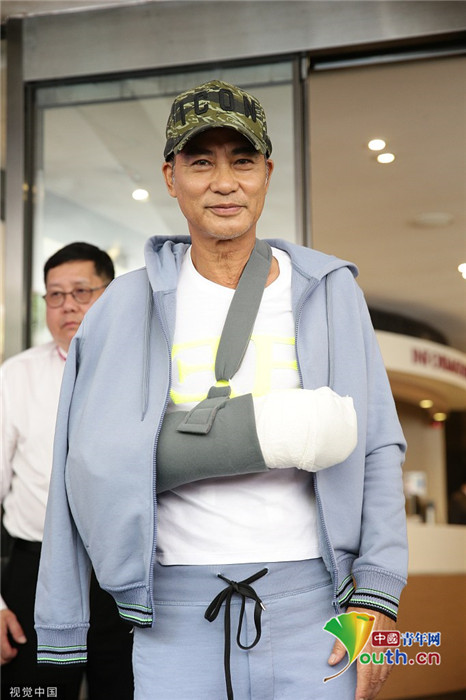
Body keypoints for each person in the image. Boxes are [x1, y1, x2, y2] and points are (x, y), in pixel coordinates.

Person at [34, 81, 408, 700]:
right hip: (173, 617)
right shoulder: (122, 307)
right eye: (201, 162)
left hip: (319, 607)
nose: (225, 182)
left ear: (267, 174)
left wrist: (379, 596)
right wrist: (64, 620)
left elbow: (377, 445)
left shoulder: (329, 290)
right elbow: (81, 466)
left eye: (242, 161)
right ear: (171, 176)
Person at [1, 242, 134, 698]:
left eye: (81, 291)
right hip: (36, 574)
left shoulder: (147, 371)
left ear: (111, 295)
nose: (67, 305)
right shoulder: (15, 376)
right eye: (55, 295)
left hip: (125, 576)